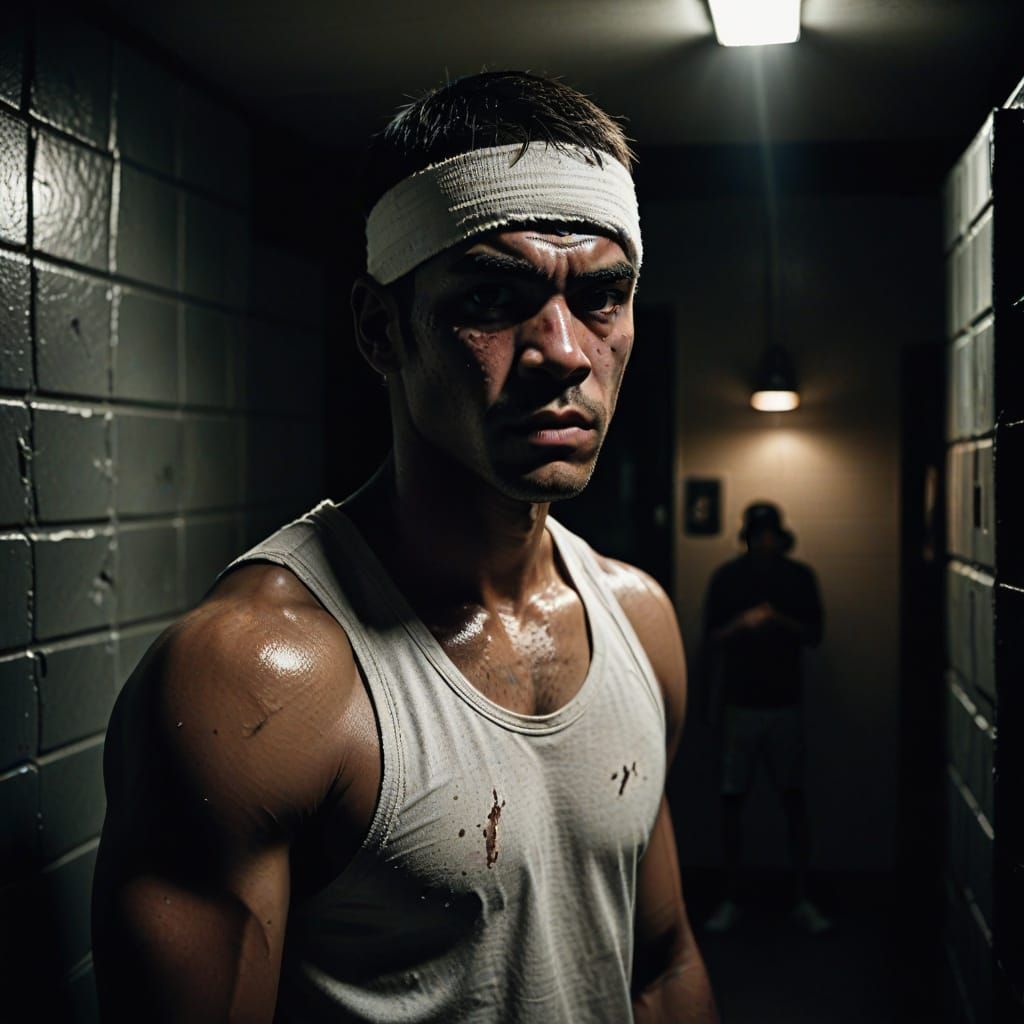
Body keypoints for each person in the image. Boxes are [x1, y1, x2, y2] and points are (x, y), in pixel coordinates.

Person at [93, 71, 717, 1023]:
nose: (562, 350)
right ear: (382, 329)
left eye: (603, 296)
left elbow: (660, 966)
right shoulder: (256, 677)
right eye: (495, 297)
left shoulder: (639, 621)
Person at [700, 502, 830, 935]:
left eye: (771, 535)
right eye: (759, 536)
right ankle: (732, 897)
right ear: (749, 537)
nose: (765, 543)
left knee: (794, 800)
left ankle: (801, 897)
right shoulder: (729, 578)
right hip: (739, 704)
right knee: (731, 801)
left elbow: (814, 635)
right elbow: (710, 638)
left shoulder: (798, 578)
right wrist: (741, 626)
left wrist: (779, 622)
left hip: (785, 703)